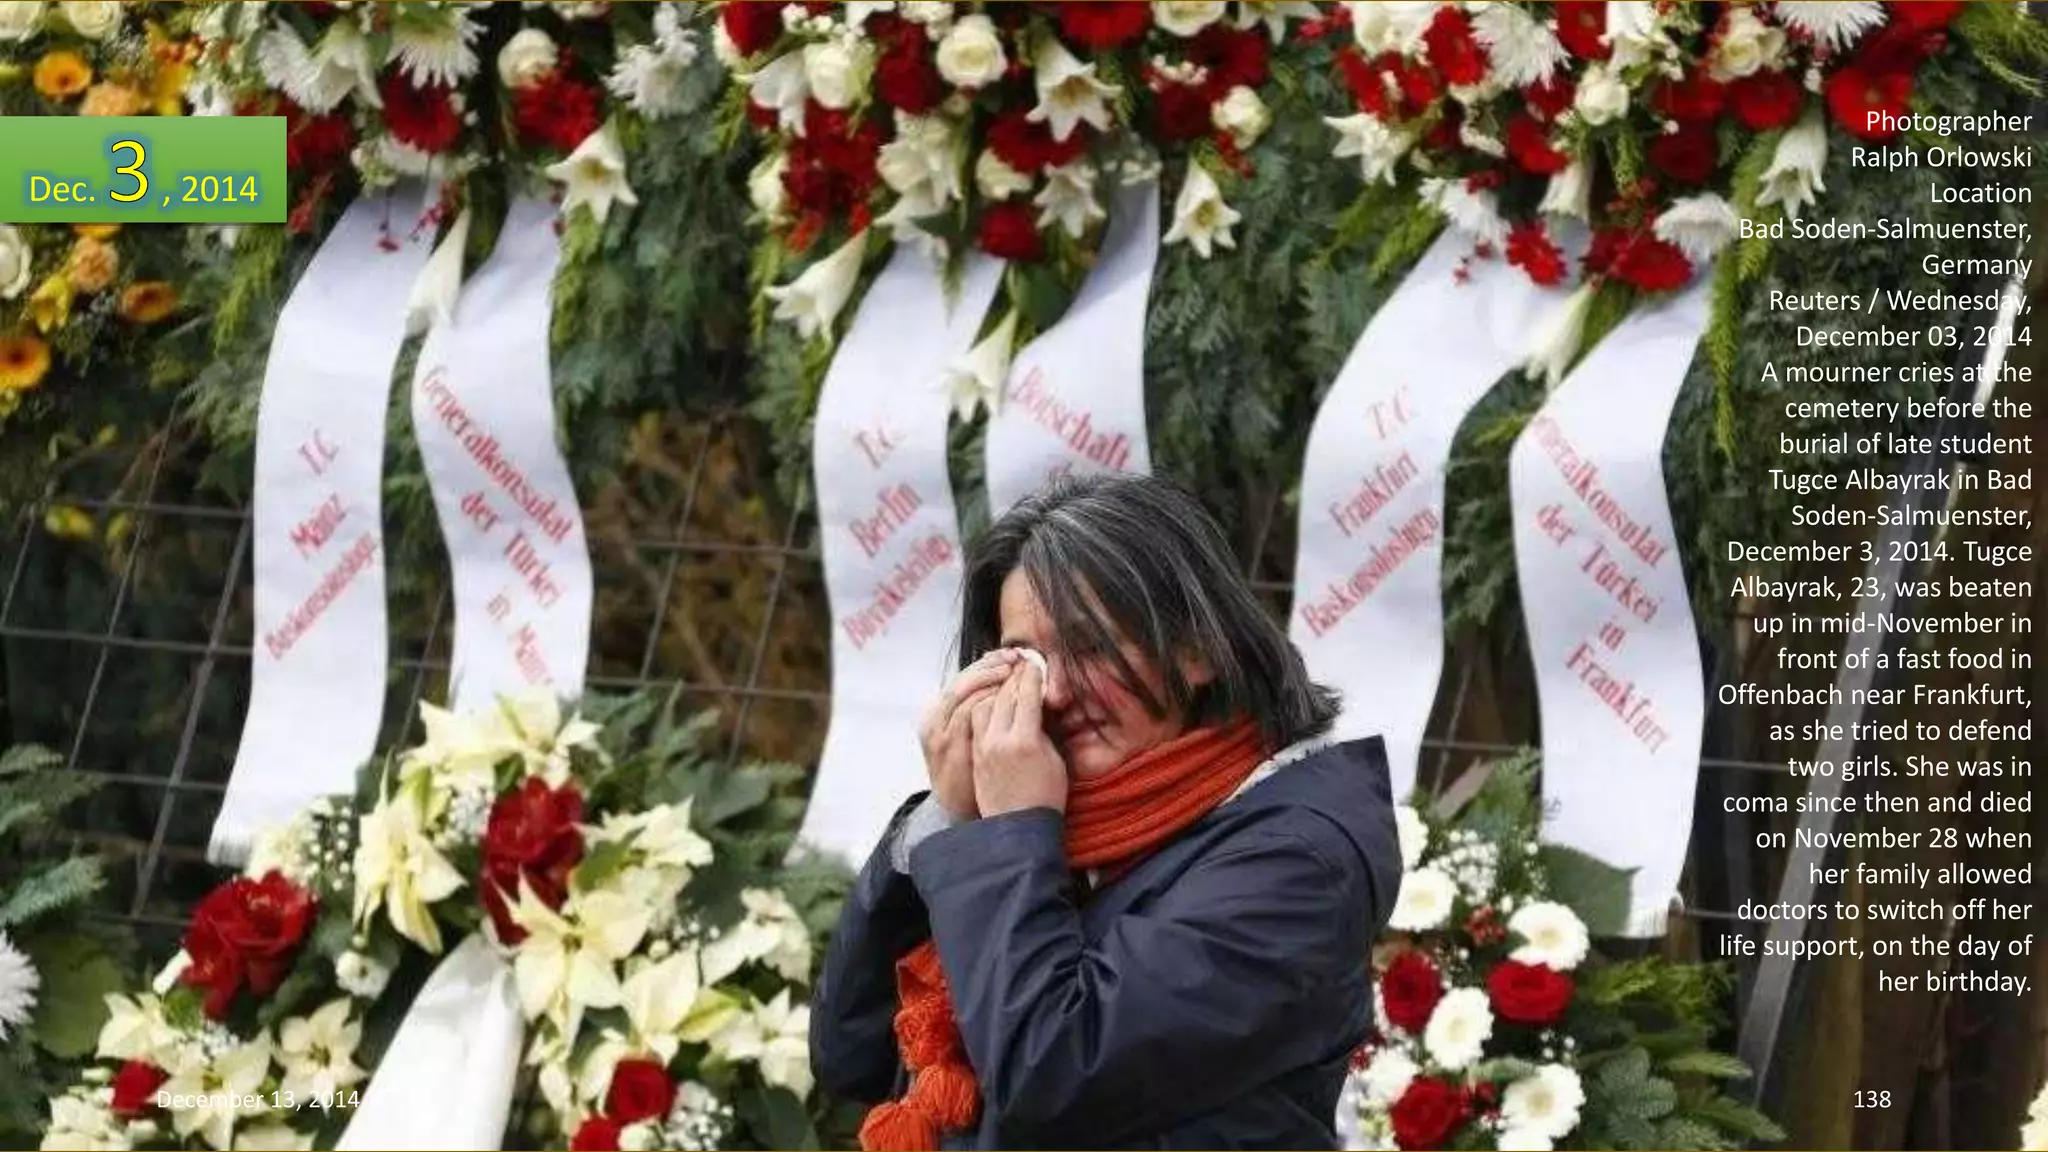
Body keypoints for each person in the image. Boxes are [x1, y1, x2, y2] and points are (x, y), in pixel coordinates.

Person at [811, 473, 1402, 1150]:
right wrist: (946, 819)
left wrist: (1007, 835)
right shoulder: (1056, 830)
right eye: (1026, 659)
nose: (1054, 692)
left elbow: (1055, 1074)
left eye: (1090, 645)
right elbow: (852, 1051)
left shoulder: (1298, 859)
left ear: (1197, 647)